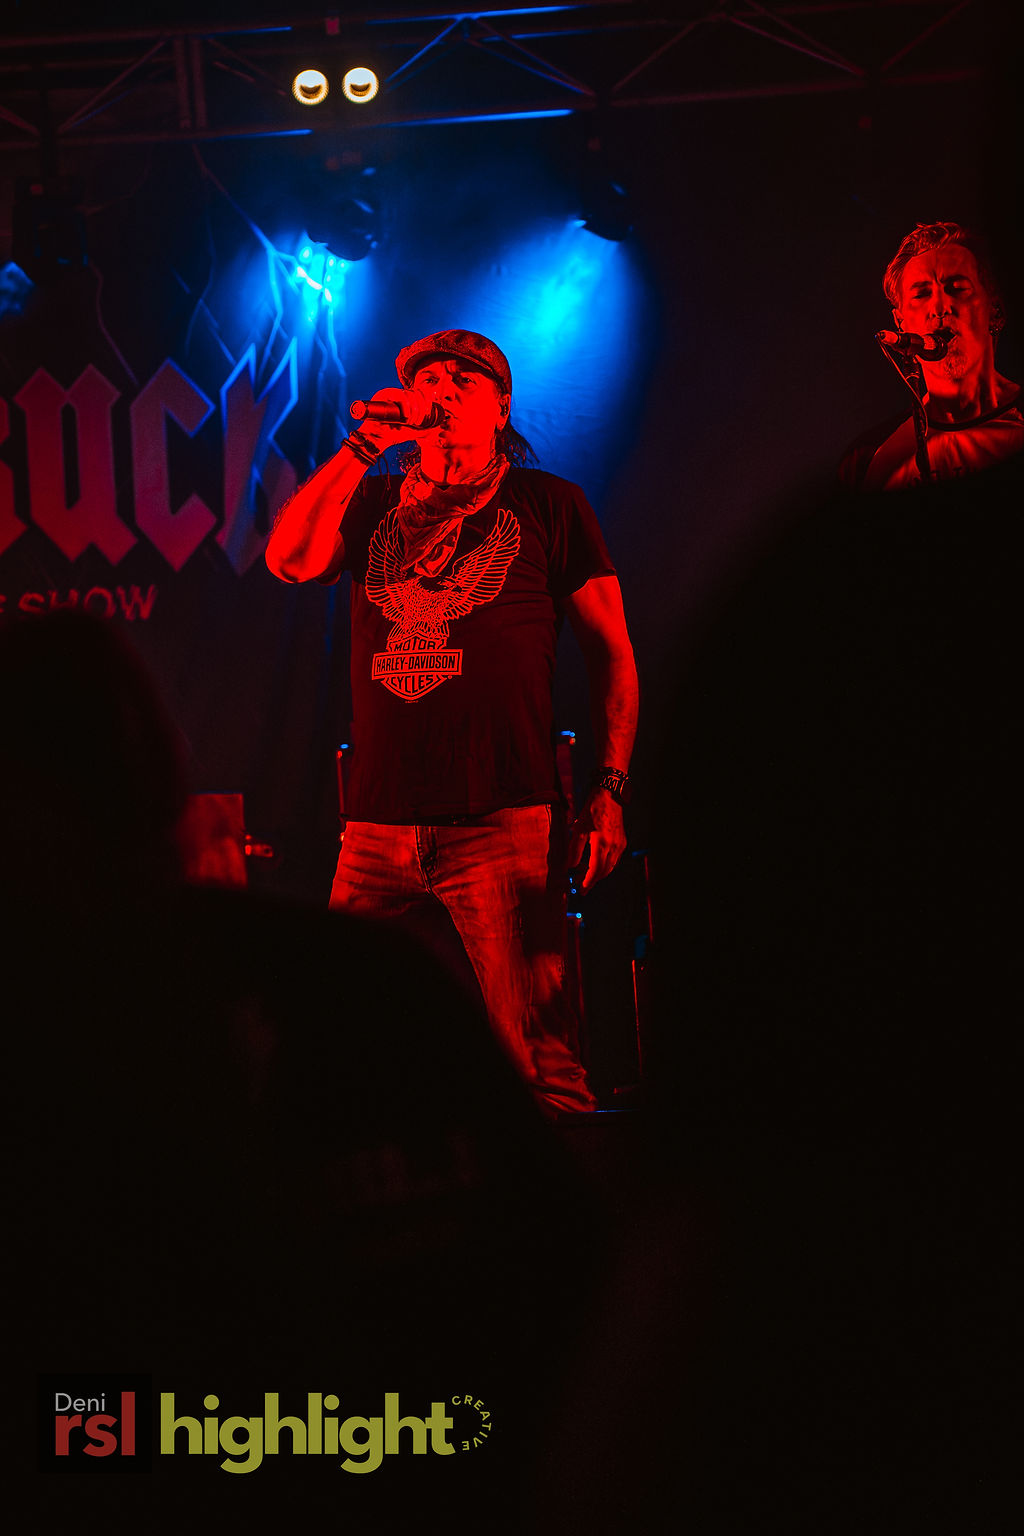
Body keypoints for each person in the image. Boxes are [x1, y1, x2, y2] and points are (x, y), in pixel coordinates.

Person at [265, 328, 638, 1117]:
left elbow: (613, 654)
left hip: (505, 821)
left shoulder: (548, 505)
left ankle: (569, 1191)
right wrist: (362, 447)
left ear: (501, 409)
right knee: (330, 1040)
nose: (440, 390)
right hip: (376, 828)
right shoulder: (372, 501)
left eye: (463, 381)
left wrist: (609, 789)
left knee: (539, 1063)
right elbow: (289, 560)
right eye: (427, 379)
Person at [841, 220, 1022, 489]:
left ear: (994, 309)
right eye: (921, 294)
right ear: (900, 323)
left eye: (957, 288)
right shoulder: (872, 461)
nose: (939, 307)